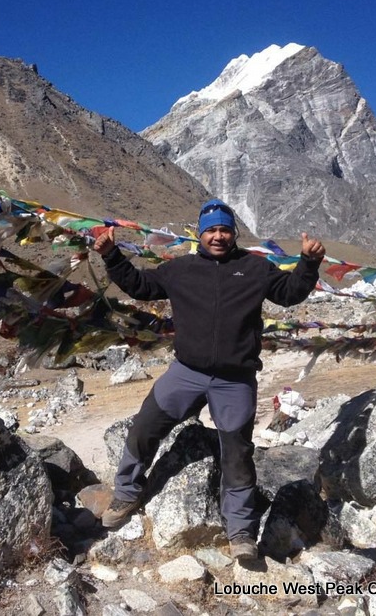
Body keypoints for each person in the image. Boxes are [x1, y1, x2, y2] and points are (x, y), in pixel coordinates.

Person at [92, 199, 325, 561]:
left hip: (235, 379)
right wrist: (111, 256)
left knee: (237, 452)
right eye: (211, 230)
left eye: (225, 229)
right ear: (199, 233)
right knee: (145, 427)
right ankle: (126, 494)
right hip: (186, 372)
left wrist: (309, 263)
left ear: (233, 233)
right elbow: (139, 285)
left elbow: (289, 293)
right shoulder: (180, 269)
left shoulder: (255, 268)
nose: (218, 236)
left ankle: (241, 532)